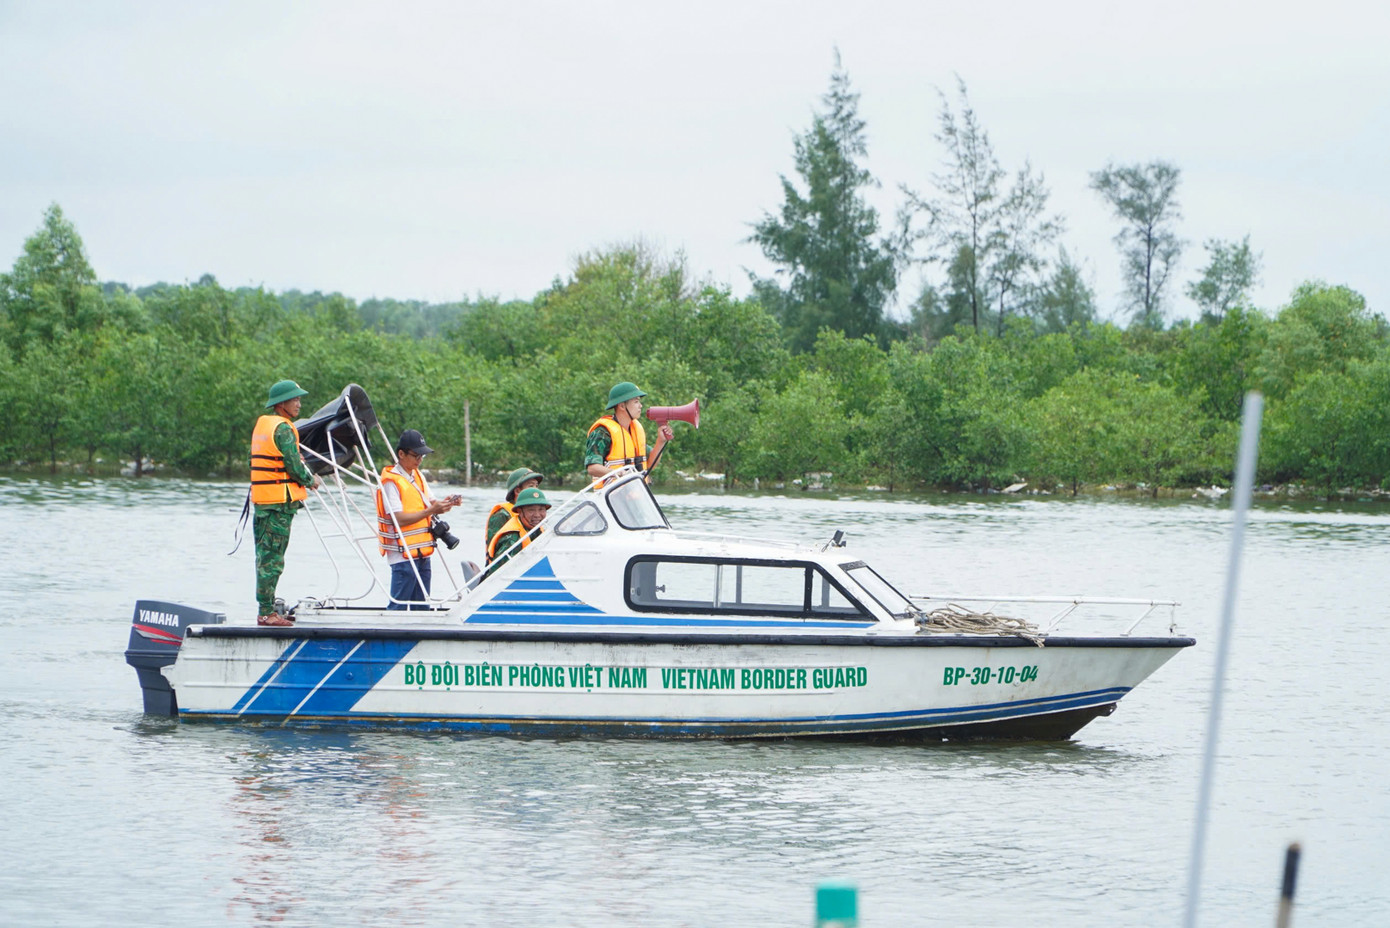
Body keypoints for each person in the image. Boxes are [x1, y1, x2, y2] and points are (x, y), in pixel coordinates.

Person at [250, 379, 323, 627]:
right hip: (277, 505)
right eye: (295, 400)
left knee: (266, 558)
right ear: (282, 404)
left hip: (265, 504)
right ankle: (267, 613)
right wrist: (310, 479)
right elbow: (294, 467)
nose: (299, 404)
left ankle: (268, 610)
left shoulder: (265, 425)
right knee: (272, 561)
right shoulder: (283, 429)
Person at [376, 429, 461, 610]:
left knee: (422, 607)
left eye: (422, 456)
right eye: (416, 455)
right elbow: (398, 519)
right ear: (401, 454)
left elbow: (430, 503)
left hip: (422, 552)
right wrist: (431, 510)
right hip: (402, 554)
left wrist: (447, 502)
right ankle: (389, 635)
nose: (419, 460)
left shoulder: (417, 475)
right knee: (398, 606)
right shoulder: (391, 482)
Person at [584, 382, 673, 481]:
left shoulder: (635, 430)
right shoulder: (602, 432)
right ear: (622, 406)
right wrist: (617, 473)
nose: (641, 406)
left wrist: (661, 441)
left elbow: (649, 464)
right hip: (610, 494)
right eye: (636, 402)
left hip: (636, 493)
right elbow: (592, 468)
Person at [485, 486, 551, 571]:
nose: (537, 515)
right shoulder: (513, 538)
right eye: (531, 510)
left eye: (541, 510)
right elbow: (500, 573)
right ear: (519, 511)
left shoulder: (537, 529)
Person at [484, 467, 544, 556]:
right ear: (517, 491)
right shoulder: (501, 515)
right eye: (531, 486)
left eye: (536, 486)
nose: (535, 490)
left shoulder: (536, 515)